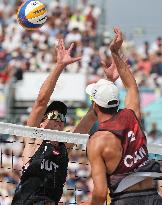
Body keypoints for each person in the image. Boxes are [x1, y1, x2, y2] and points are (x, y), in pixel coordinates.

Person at [82, 28, 162, 205]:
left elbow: (101, 193)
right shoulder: (131, 116)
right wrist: (115, 53)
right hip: (152, 197)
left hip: (125, 200)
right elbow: (132, 86)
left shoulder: (97, 141)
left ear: (95, 105)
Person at [11, 39, 96, 205]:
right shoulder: (32, 138)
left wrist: (107, 85)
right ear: (42, 123)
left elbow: (93, 115)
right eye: (54, 116)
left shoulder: (65, 147)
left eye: (62, 118)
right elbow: (41, 101)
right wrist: (60, 66)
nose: (59, 121)